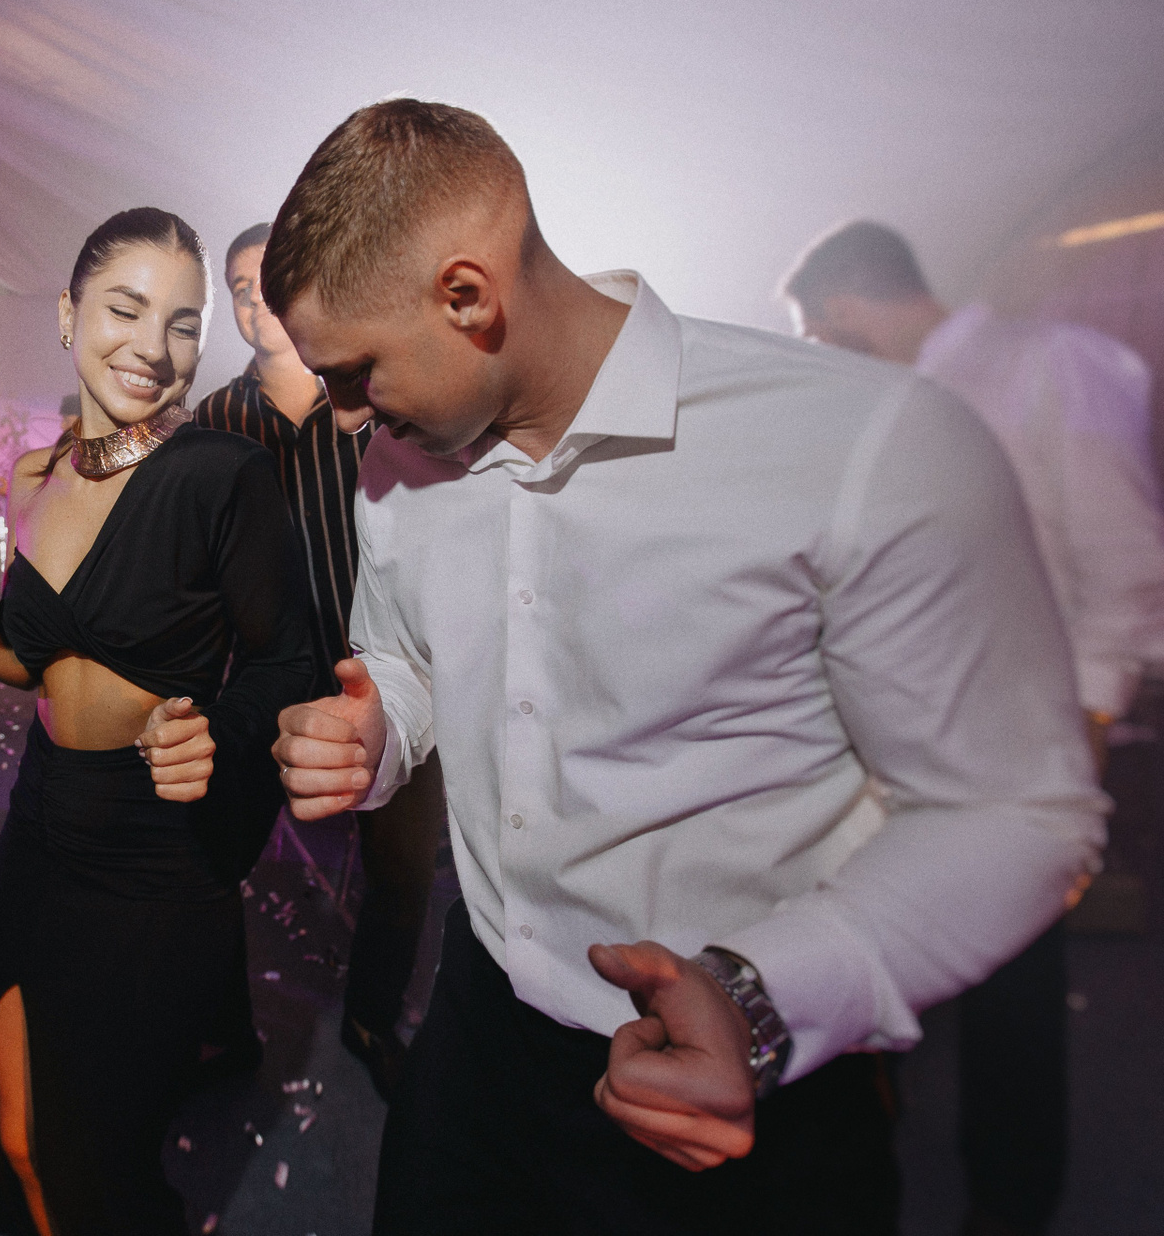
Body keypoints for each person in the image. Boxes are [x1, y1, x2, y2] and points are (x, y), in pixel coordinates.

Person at [266, 100, 1107, 1235]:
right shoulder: (395, 466)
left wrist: (762, 996)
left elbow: (1015, 810)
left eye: (355, 370)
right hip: (477, 1029)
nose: (339, 412)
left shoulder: (868, 444)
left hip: (745, 1090)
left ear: (467, 296)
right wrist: (379, 729)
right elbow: (406, 657)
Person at [0, 207, 314, 1234]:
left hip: (154, 854)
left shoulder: (219, 474)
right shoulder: (33, 477)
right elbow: (31, 667)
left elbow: (289, 657)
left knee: (92, 1149)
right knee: (14, 1130)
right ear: (68, 314)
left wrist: (221, 733)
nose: (153, 345)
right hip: (41, 825)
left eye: (182, 323)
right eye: (126, 309)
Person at [780, 218, 1164, 1236]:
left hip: (1015, 743)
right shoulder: (880, 397)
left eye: (816, 330)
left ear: (846, 306)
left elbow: (1128, 565)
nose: (816, 350)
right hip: (880, 736)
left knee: (1011, 1006)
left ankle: (1007, 1207)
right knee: (868, 964)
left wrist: (1084, 730)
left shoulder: (1055, 361)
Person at [196, 221, 448, 1097]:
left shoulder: (375, 396)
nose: (253, 298)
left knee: (403, 869)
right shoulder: (217, 420)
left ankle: (371, 1018)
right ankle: (225, 1029)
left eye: (266, 279)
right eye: (237, 287)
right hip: (262, 674)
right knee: (209, 854)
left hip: (385, 671)